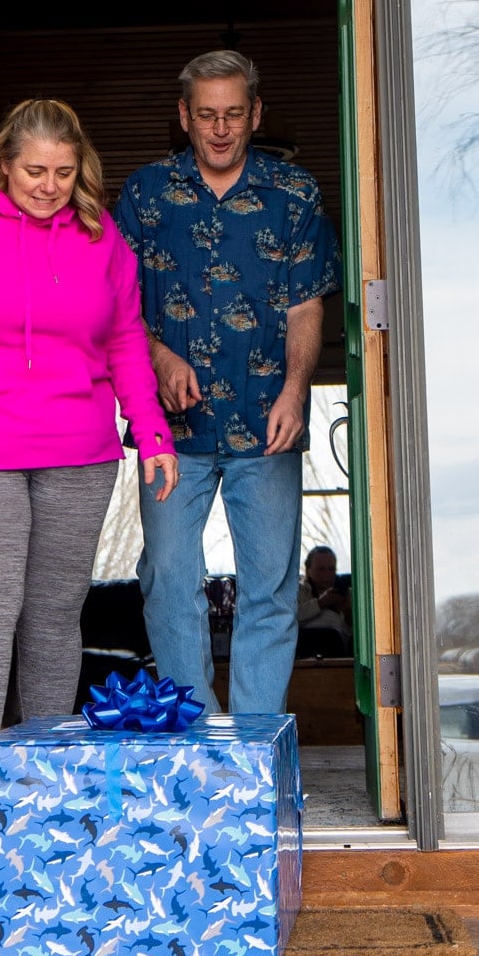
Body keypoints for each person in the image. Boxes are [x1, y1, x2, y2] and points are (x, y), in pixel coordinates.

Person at [0, 98, 179, 747]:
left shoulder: (103, 240)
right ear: (4, 164)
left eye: (64, 173)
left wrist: (151, 431)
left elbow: (127, 339)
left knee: (52, 615)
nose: (49, 187)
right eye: (35, 171)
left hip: (80, 449)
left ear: (81, 171)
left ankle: (40, 770)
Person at [114, 50, 342, 715]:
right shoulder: (145, 192)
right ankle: (196, 732)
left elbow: (307, 304)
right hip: (171, 432)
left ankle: (252, 745)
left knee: (270, 590)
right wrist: (157, 355)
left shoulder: (294, 194)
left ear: (256, 114)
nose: (219, 129)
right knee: (165, 580)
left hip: (266, 421)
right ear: (184, 116)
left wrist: (298, 391)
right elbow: (115, 304)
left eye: (233, 114)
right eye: (206, 115)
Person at [297, 545, 352, 659]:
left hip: (338, 650)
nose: (326, 575)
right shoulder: (299, 591)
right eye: (321, 569)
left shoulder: (346, 593)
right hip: (305, 647)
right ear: (308, 569)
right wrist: (320, 603)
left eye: (331, 569)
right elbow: (292, 620)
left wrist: (347, 612)